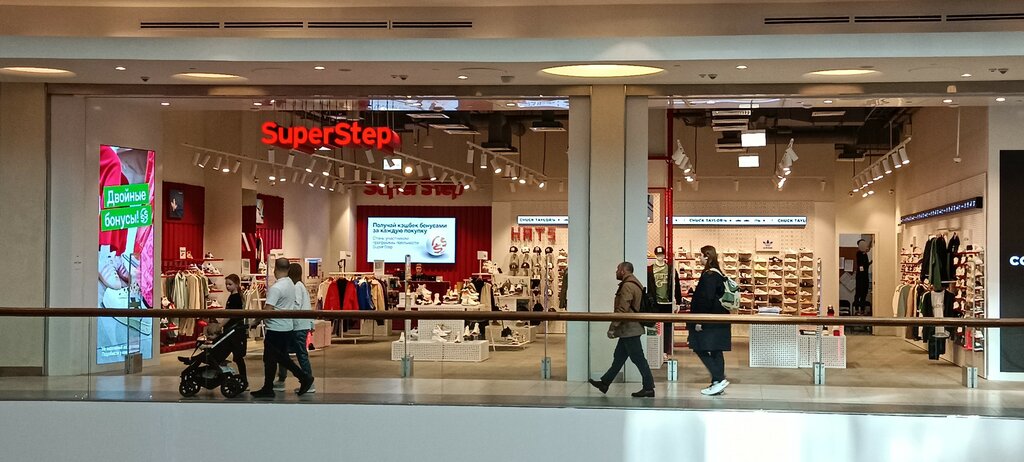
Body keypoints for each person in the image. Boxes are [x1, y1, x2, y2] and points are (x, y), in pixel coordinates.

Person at [588, 262, 656, 398]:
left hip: (630, 329)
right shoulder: (634, 283)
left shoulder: (627, 286)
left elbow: (622, 309)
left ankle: (649, 387)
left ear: (623, 271)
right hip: (629, 328)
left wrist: (613, 327)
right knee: (619, 357)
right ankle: (605, 383)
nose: (616, 272)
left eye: (617, 269)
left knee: (638, 359)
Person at [251, 258, 313, 398]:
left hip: (275, 329)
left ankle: (303, 377)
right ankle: (268, 387)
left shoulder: (276, 288)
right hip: (287, 327)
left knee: (276, 357)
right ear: (288, 269)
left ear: (275, 269)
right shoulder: (291, 284)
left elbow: (268, 310)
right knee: (274, 358)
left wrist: (255, 321)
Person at [688, 245, 732, 396]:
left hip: (709, 319)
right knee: (716, 350)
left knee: (698, 346)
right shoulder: (718, 273)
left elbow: (706, 298)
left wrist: (700, 321)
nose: (699, 258)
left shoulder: (709, 275)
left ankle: (719, 378)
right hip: (718, 319)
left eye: (700, 255)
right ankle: (716, 383)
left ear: (706, 256)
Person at [274, 263, 315, 393]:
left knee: (296, 353)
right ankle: (285, 379)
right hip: (301, 325)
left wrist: (283, 311)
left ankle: (306, 380)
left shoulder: (296, 287)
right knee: (293, 353)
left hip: (297, 325)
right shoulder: (301, 286)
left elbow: (296, 305)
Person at [206, 274, 248, 389]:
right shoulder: (232, 297)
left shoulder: (236, 298)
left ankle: (243, 379)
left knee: (236, 357)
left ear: (237, 284)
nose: (227, 286)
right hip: (231, 330)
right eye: (226, 284)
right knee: (236, 357)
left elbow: (230, 315)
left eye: (230, 284)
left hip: (234, 331)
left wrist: (220, 326)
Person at [647, 246, 682, 357]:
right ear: (655, 255)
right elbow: (648, 287)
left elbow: (677, 286)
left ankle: (665, 350)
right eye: (658, 255)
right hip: (655, 303)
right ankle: (656, 350)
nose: (660, 257)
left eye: (661, 254)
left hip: (667, 303)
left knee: (667, 328)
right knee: (655, 327)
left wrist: (678, 301)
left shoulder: (671, 269)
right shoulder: (649, 270)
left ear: (664, 255)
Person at [854, 238, 872, 316]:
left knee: (864, 293)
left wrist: (871, 241)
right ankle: (857, 309)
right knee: (858, 293)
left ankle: (862, 310)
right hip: (860, 277)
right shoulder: (859, 253)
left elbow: (868, 248)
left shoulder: (865, 253)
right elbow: (861, 265)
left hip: (865, 276)